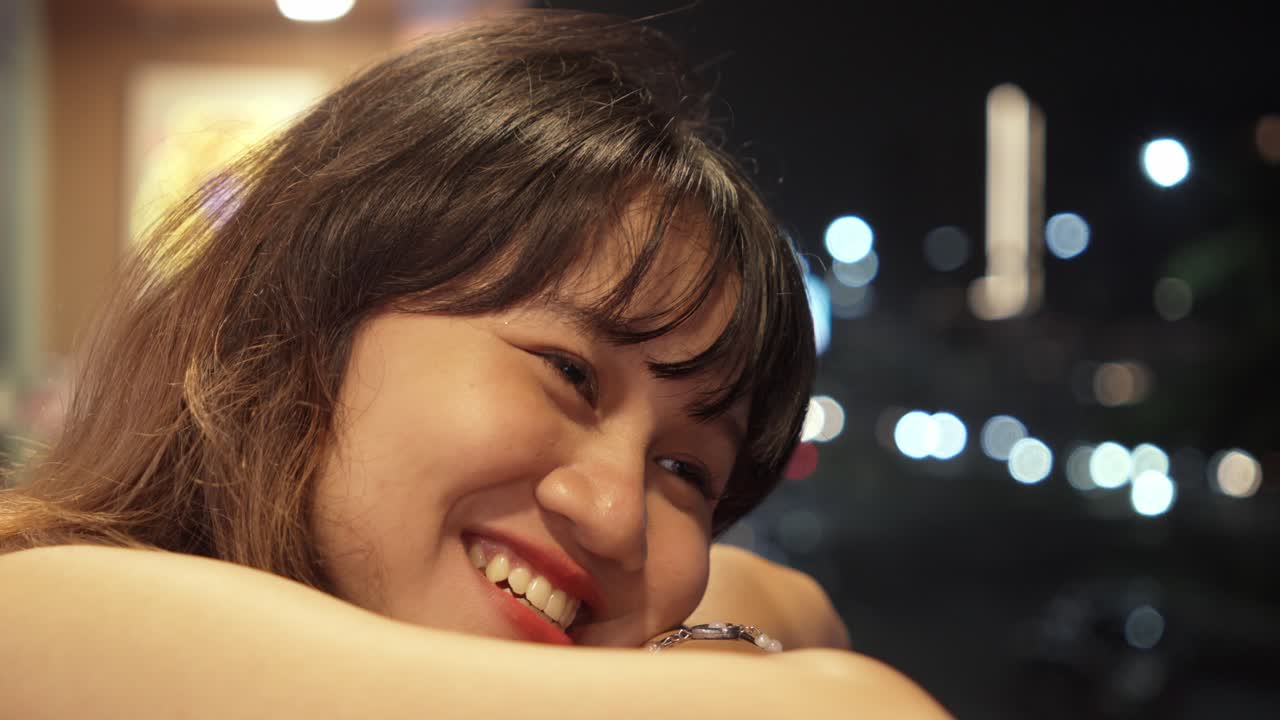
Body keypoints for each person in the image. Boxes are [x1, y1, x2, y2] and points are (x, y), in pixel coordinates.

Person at [0, 10, 950, 718]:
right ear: (311, 320)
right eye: (570, 373)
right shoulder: (37, 613)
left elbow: (787, 598)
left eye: (687, 470)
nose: (616, 514)